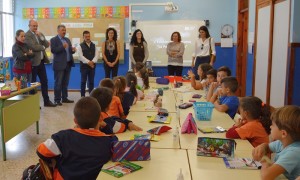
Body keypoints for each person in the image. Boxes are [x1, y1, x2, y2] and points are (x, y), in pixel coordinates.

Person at [36, 97, 118, 179]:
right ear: (100, 117)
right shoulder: (109, 142)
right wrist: (106, 126)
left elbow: (41, 151)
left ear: (75, 121)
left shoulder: (63, 137)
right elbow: (116, 143)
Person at [252, 106, 300, 180]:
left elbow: (266, 176)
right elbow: (268, 147)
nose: (270, 127)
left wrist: (264, 163)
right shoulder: (282, 142)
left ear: (283, 133)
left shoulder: (294, 152)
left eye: (273, 125)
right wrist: (263, 146)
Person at [25, 19, 56, 107]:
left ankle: (46, 101)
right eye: (33, 26)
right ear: (29, 26)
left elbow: (47, 44)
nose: (35, 27)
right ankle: (33, 104)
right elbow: (33, 47)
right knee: (33, 84)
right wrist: (42, 46)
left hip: (41, 62)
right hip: (33, 63)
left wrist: (41, 37)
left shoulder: (38, 34)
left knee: (44, 81)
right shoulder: (27, 35)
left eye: (36, 26)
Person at [50, 24, 76, 106]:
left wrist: (73, 50)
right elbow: (53, 50)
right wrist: (62, 46)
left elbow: (69, 51)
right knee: (58, 83)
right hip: (59, 65)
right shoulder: (54, 39)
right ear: (58, 31)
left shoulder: (67, 40)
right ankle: (57, 99)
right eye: (62, 30)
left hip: (68, 64)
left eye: (65, 30)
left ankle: (64, 98)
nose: (64, 32)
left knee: (65, 83)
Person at [77, 30, 99, 97]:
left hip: (92, 66)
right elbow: (80, 56)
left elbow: (97, 55)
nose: (88, 38)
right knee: (83, 82)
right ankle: (82, 96)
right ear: (83, 37)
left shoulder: (94, 45)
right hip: (84, 67)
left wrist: (93, 61)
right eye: (86, 36)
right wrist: (89, 62)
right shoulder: (80, 46)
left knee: (91, 82)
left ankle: (91, 96)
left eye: (89, 36)